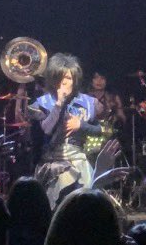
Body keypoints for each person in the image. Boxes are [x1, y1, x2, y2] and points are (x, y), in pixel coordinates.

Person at [27, 53, 105, 206]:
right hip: (52, 163)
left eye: (68, 78)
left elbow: (103, 130)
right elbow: (47, 129)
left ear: (75, 80)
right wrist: (59, 104)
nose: (64, 82)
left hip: (79, 160)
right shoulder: (43, 102)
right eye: (60, 78)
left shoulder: (89, 103)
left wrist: (81, 126)